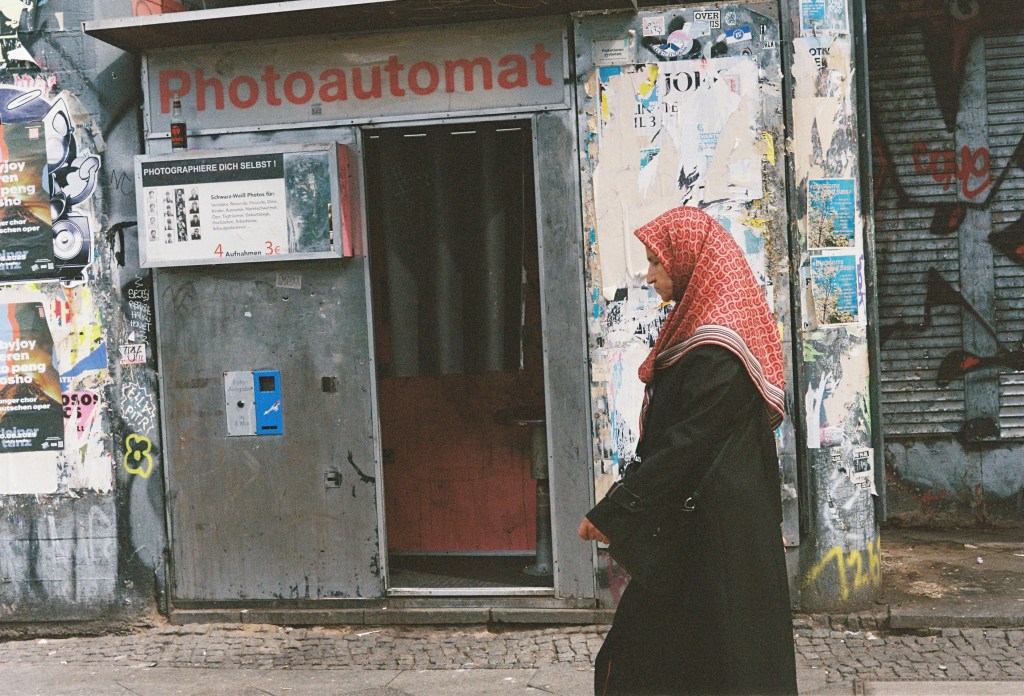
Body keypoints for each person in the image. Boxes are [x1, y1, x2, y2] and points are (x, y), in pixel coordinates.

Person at [579, 207, 797, 696]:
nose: (649, 274)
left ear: (688, 259)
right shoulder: (700, 334)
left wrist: (615, 511)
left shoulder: (717, 349)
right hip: (700, 538)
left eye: (656, 261)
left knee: (691, 665)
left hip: (714, 543)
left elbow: (686, 445)